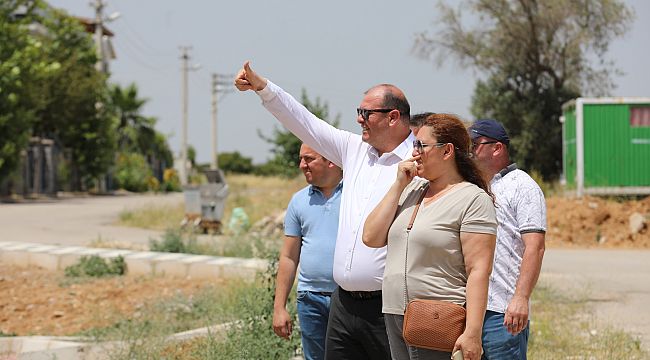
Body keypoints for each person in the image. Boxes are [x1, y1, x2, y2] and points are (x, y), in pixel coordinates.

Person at [235, 61, 414, 359]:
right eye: (359, 113)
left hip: (390, 309)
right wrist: (263, 88)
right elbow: (303, 121)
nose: (359, 120)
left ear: (393, 117)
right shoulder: (353, 150)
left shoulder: (419, 160)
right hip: (343, 305)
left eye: (366, 114)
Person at [363, 113, 497, 360]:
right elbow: (371, 237)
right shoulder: (412, 190)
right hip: (395, 313)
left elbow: (478, 270)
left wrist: (473, 332)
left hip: (437, 315)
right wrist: (397, 186)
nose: (414, 153)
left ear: (447, 151)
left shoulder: (472, 199)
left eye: (421, 146)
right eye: (414, 145)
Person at [468, 119, 546, 360]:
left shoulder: (523, 187)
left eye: (475, 144)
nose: (469, 150)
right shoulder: (474, 186)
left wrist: (521, 298)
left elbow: (535, 247)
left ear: (497, 148)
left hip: (502, 312)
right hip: (470, 309)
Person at [273, 144, 343, 360]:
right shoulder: (299, 201)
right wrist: (279, 307)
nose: (301, 165)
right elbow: (288, 257)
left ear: (331, 160)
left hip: (349, 300)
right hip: (309, 299)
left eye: (308, 159)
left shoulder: (358, 196)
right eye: (301, 159)